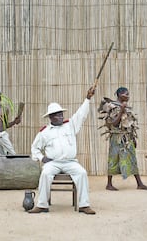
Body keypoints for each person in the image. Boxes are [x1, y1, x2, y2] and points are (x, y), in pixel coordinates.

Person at [29, 87, 96, 215]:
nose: (61, 117)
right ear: (51, 117)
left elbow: (81, 114)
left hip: (70, 162)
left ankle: (84, 205)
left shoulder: (70, 125)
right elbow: (35, 148)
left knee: (82, 173)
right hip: (53, 162)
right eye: (57, 115)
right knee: (45, 173)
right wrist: (42, 158)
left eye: (61, 114)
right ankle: (42, 205)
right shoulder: (44, 132)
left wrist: (87, 98)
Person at [98, 87, 147, 191]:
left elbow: (128, 124)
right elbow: (114, 123)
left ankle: (139, 183)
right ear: (120, 95)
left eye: (128, 94)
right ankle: (109, 184)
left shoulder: (125, 107)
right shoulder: (112, 107)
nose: (128, 96)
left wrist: (133, 138)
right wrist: (121, 110)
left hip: (127, 138)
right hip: (116, 137)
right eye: (126, 94)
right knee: (113, 159)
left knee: (132, 158)